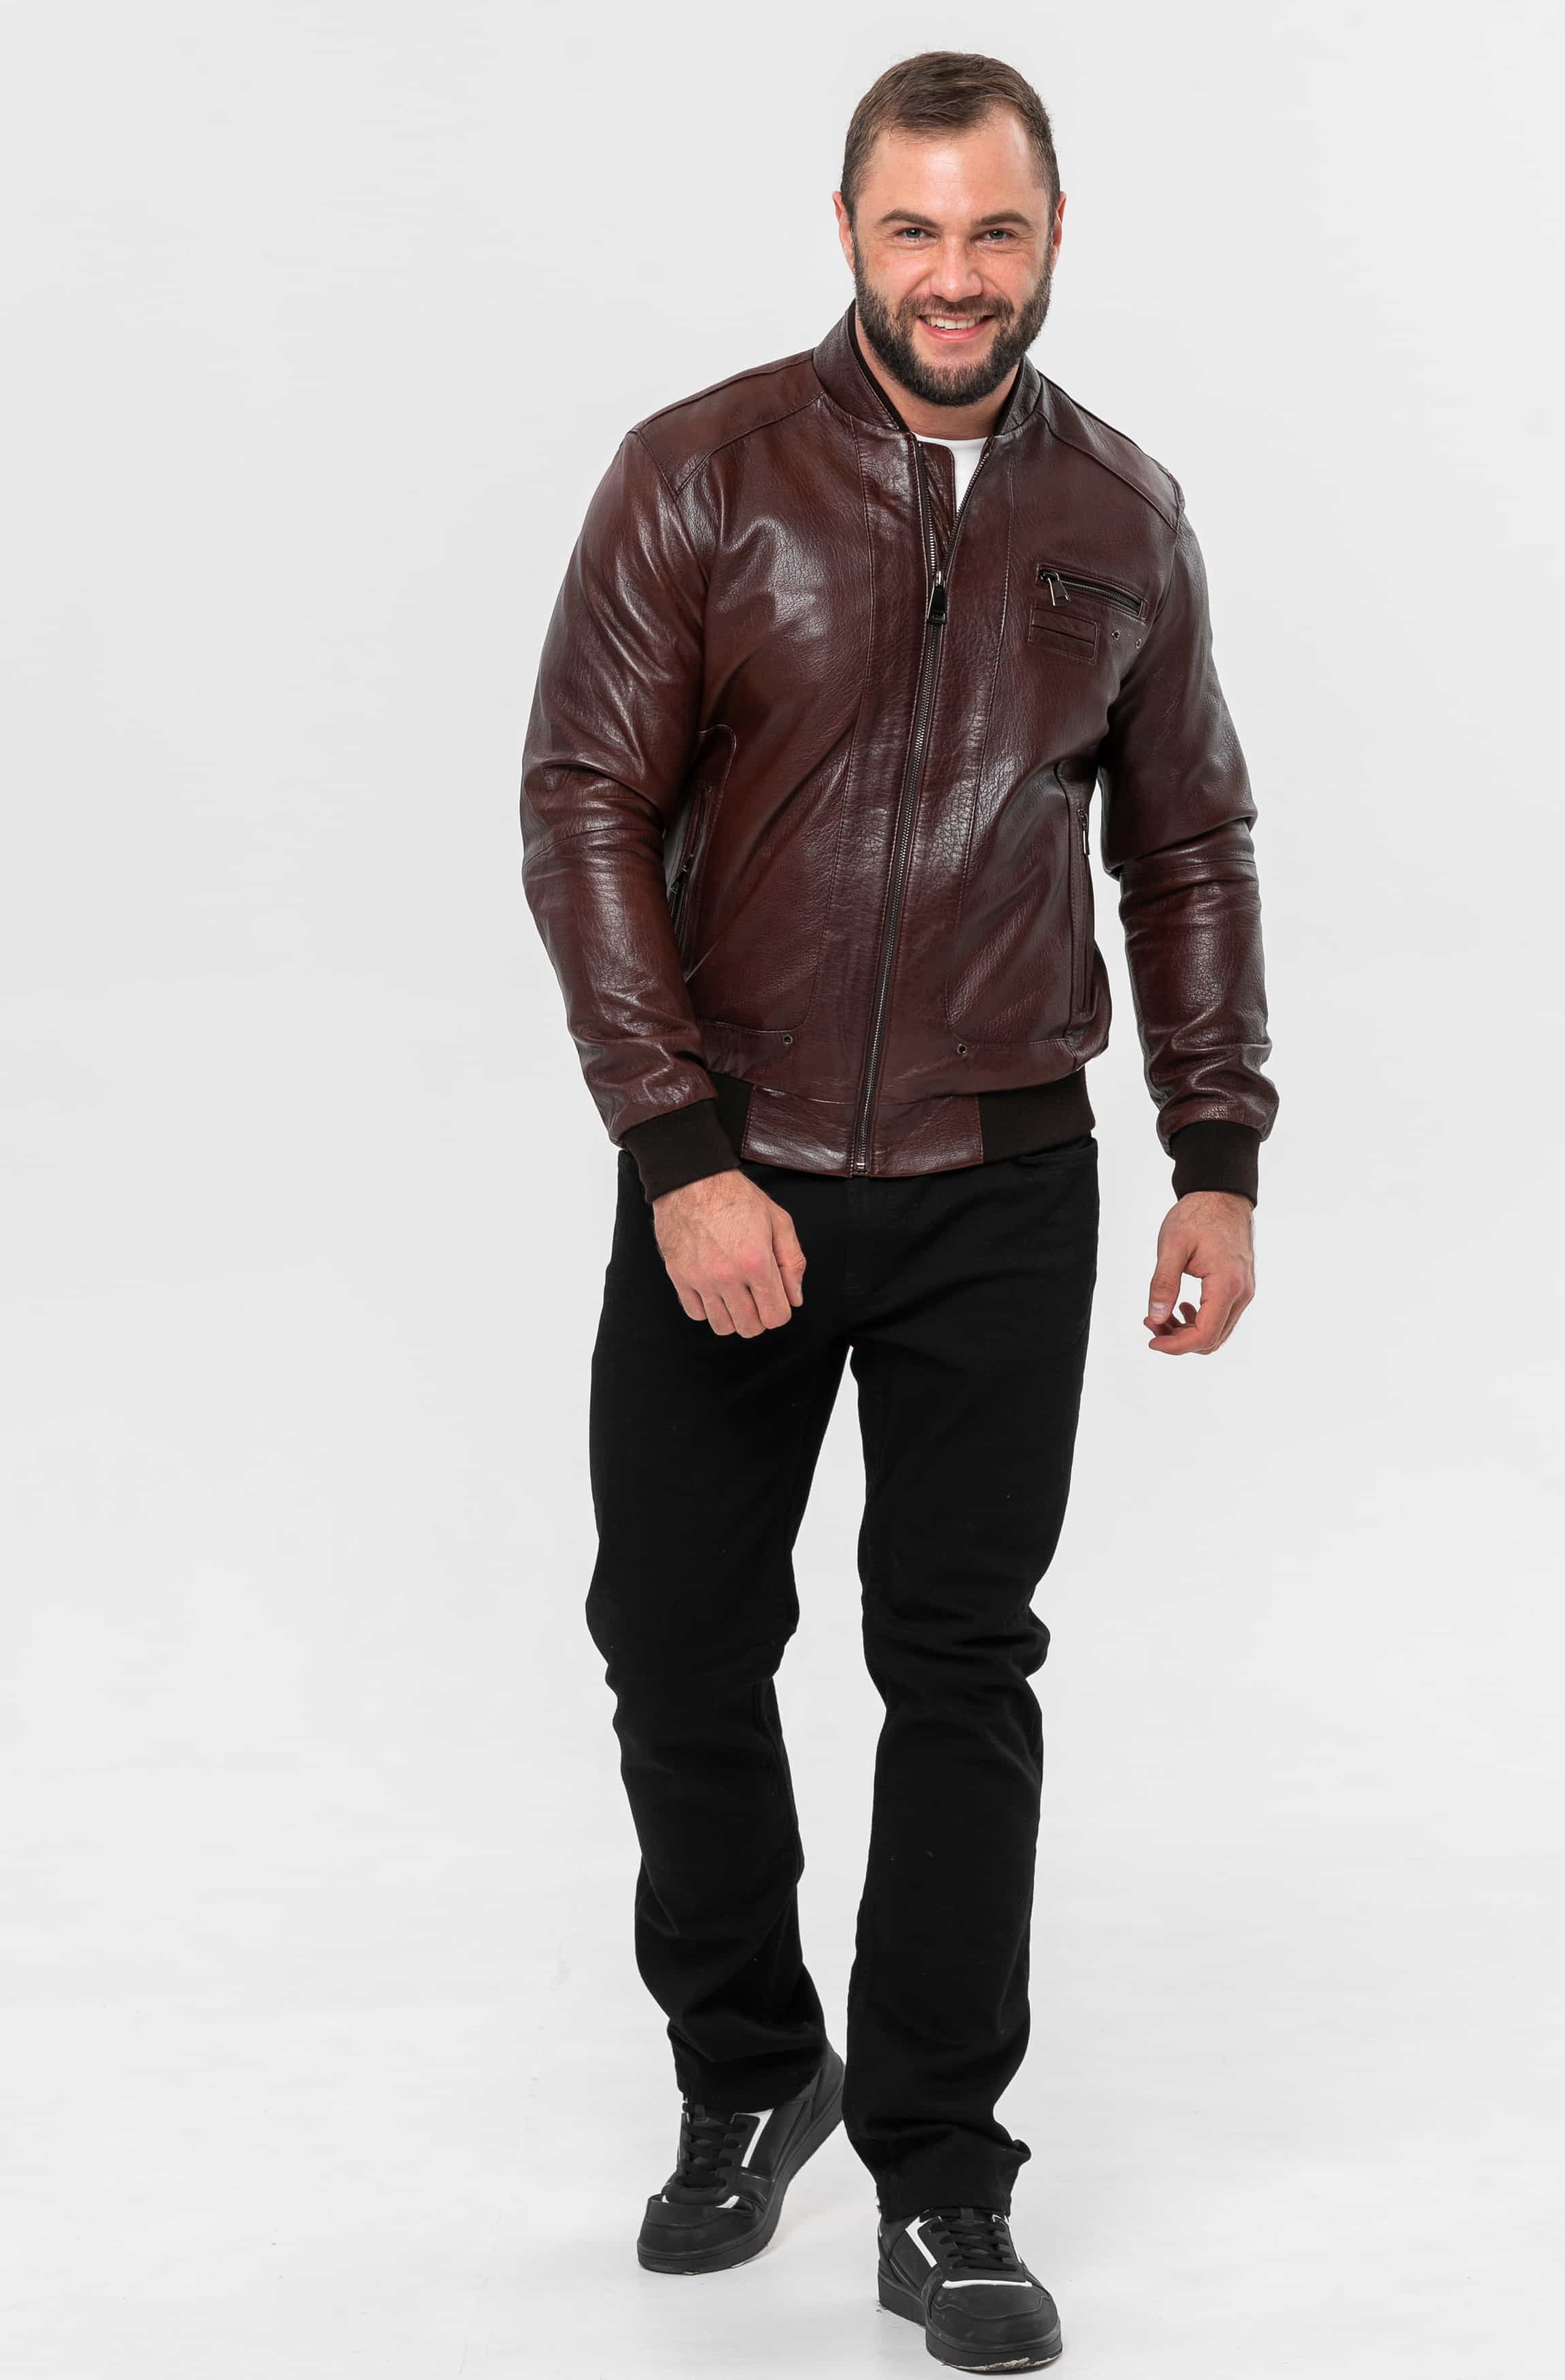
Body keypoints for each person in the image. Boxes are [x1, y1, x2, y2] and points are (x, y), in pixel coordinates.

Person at [518, 48, 1276, 2374]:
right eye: (914, 229)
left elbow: (1186, 842)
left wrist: (1217, 1151)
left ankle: (941, 2170)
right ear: (847, 230)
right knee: (675, 1635)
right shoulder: (700, 473)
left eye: (996, 231)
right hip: (732, 1169)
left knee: (958, 1666)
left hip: (1001, 1181)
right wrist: (678, 1153)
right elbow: (579, 804)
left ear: (1051, 239)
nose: (956, 277)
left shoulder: (1121, 511)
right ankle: (753, 2066)